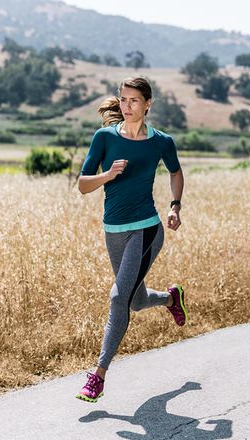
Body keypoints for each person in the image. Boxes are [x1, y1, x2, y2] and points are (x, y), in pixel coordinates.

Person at [75, 76, 188, 403]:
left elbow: (176, 171)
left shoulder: (161, 141)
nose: (126, 106)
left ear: (147, 103)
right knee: (133, 301)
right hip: (113, 231)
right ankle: (171, 298)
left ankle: (97, 375)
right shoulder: (104, 138)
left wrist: (175, 206)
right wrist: (108, 175)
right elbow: (83, 184)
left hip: (146, 231)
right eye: (123, 100)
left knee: (116, 299)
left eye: (134, 100)